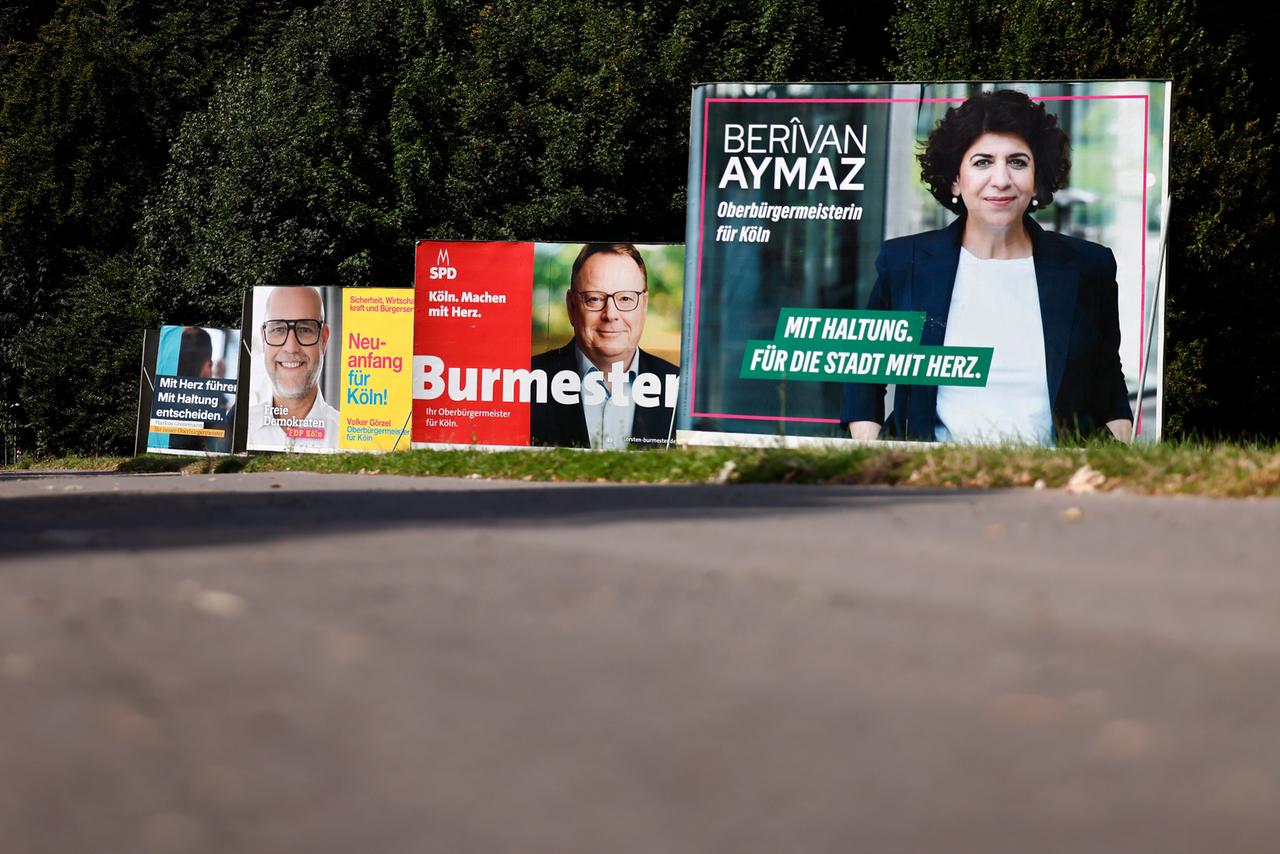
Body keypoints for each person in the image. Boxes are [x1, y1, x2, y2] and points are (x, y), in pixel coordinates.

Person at [842, 89, 1133, 444]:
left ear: (1037, 178)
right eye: (982, 162)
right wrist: (874, 454)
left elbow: (1108, 381)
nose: (1001, 180)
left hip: (1052, 471)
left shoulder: (1088, 267)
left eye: (1018, 162)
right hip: (930, 470)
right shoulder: (906, 262)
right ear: (955, 179)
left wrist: (1115, 450)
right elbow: (864, 372)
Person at [530, 243, 679, 449]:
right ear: (572, 306)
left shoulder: (682, 389)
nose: (610, 314)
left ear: (644, 305)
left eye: (625, 298)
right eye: (594, 299)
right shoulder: (526, 381)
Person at [248, 286, 340, 450]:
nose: (291, 348)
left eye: (304, 330)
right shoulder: (237, 430)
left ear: (324, 339)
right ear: (263, 339)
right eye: (278, 329)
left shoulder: (353, 441)